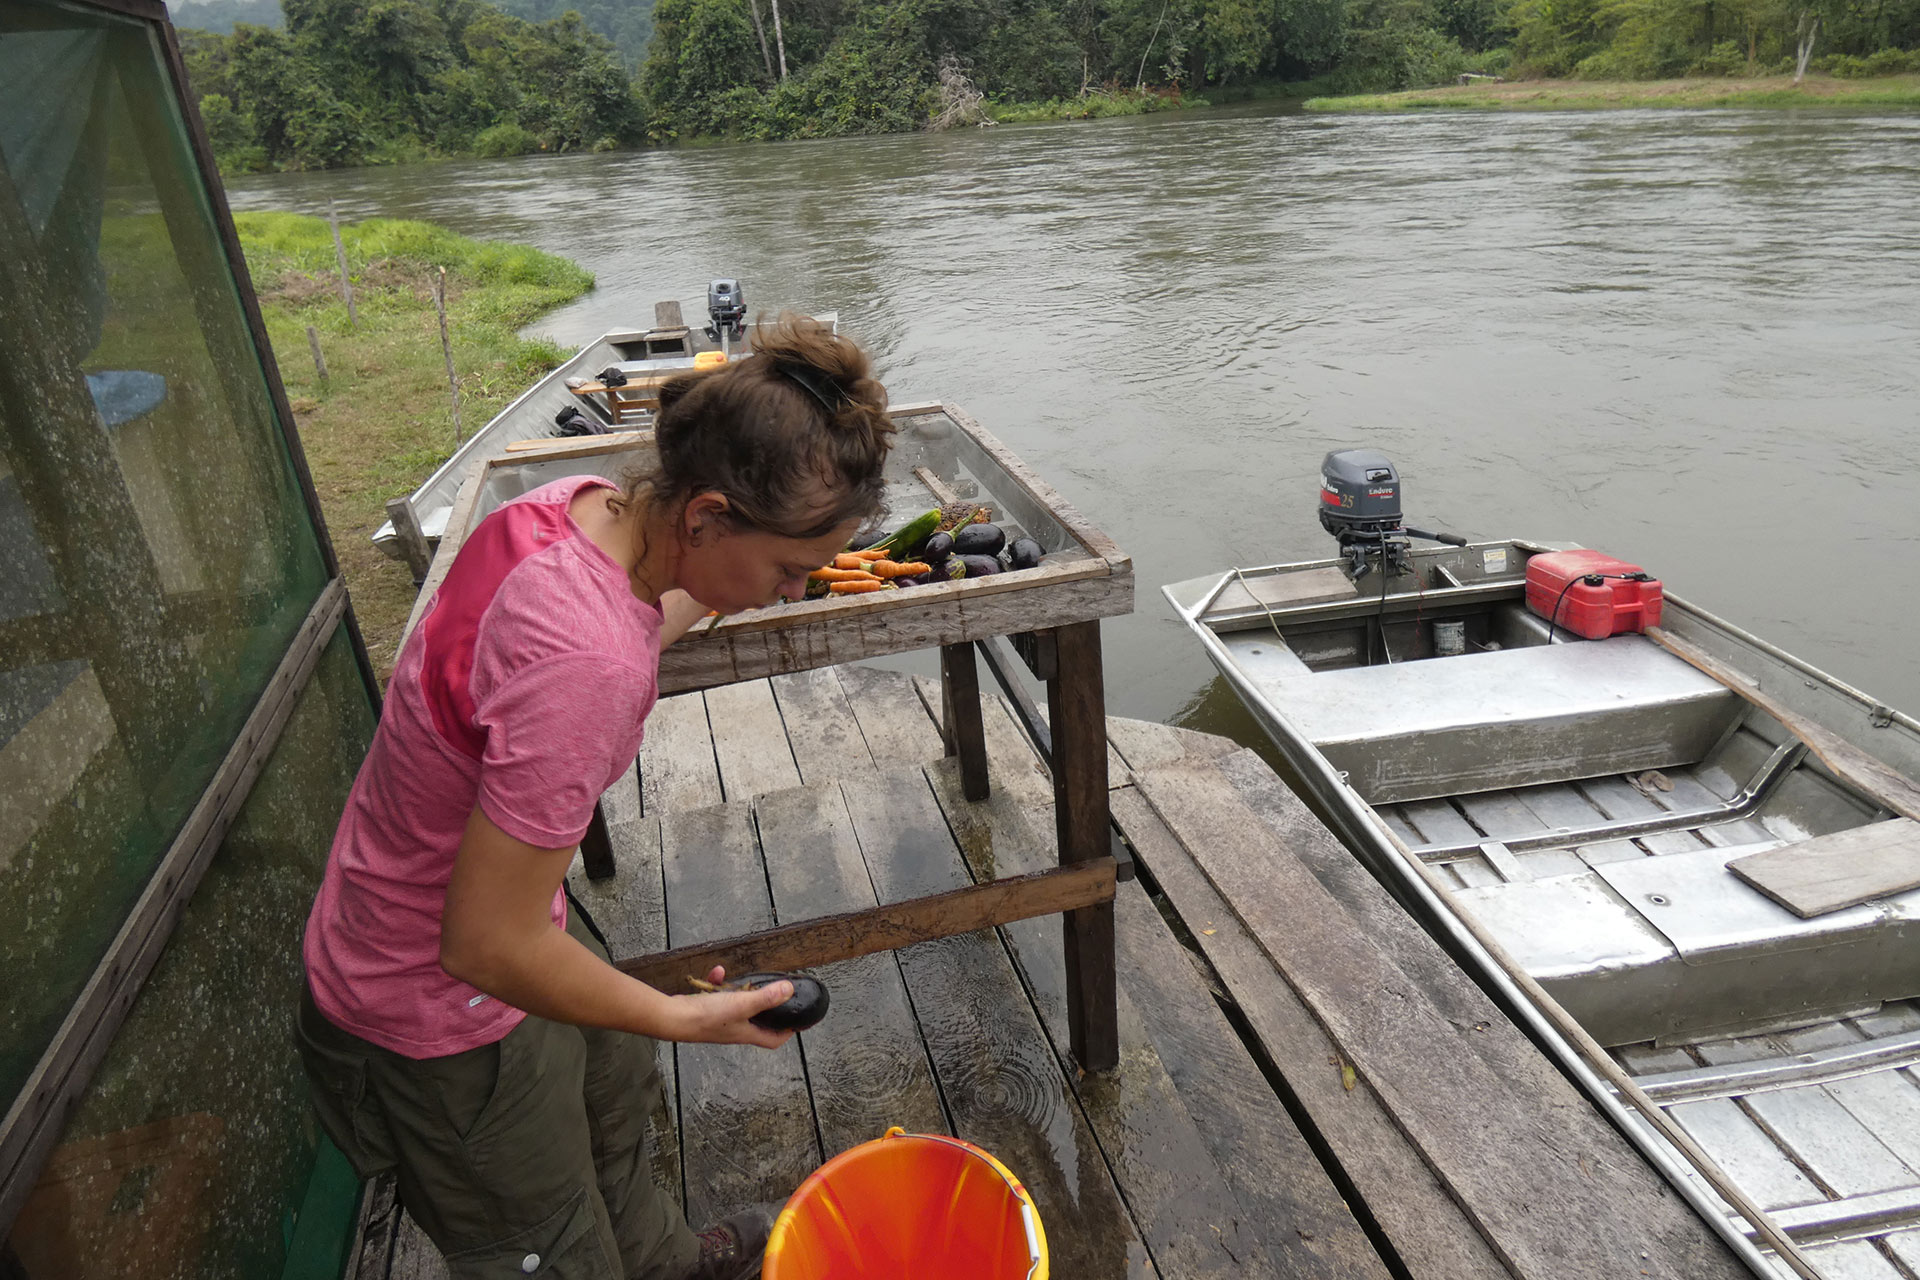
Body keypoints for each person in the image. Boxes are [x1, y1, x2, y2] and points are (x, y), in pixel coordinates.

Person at [296, 316, 896, 1280]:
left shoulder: (569, 512)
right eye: (788, 570)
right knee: (544, 1239)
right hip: (430, 999)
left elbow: (633, 617)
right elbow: (483, 947)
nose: (791, 593)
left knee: (612, 1094)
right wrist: (686, 1017)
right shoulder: (588, 665)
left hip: (484, 906)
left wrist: (726, 588)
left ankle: (663, 1261)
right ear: (703, 517)